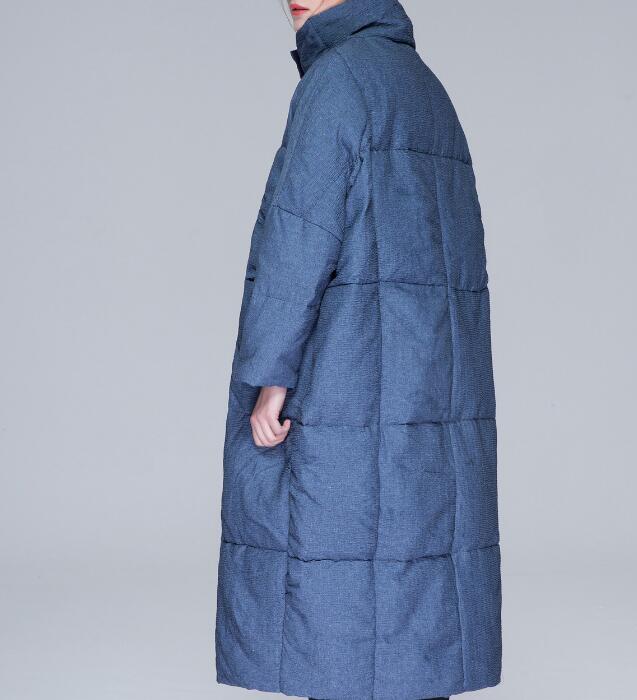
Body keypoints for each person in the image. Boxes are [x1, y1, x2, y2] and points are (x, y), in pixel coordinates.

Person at [215, 1, 501, 698]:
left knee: (334, 613)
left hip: (343, 391)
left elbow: (300, 238)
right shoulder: (424, 88)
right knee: (414, 609)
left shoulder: (337, 82)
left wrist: (271, 375)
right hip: (423, 403)